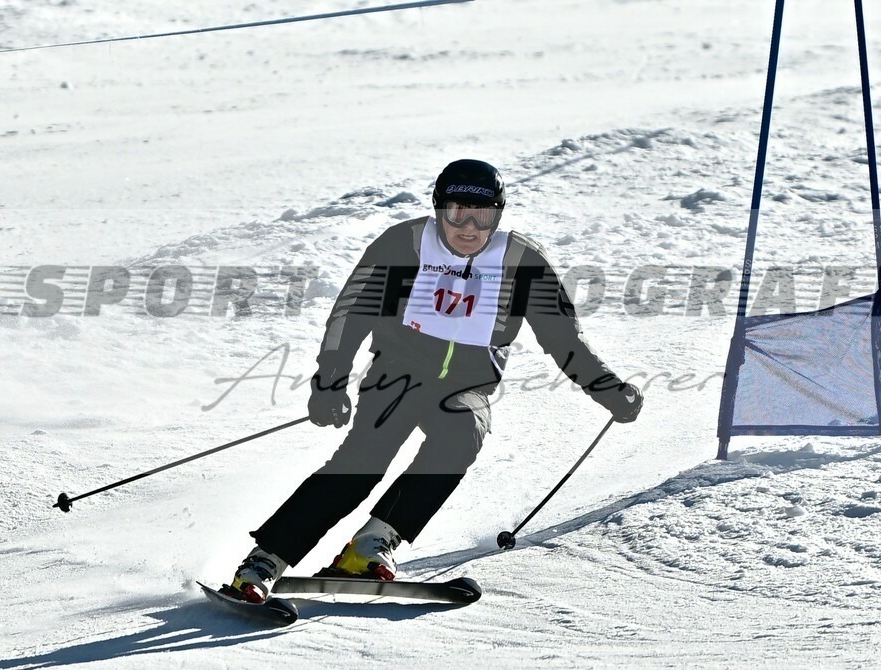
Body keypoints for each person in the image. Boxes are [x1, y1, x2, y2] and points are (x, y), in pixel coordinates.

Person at [226, 159, 642, 603]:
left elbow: (563, 337)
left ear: (497, 215)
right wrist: (330, 380)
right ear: (438, 209)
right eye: (456, 212)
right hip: (398, 373)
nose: (468, 226)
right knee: (362, 463)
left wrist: (608, 389)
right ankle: (265, 561)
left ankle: (371, 545)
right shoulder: (405, 245)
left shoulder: (521, 262)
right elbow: (352, 311)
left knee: (462, 435)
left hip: (468, 384)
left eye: (481, 216)